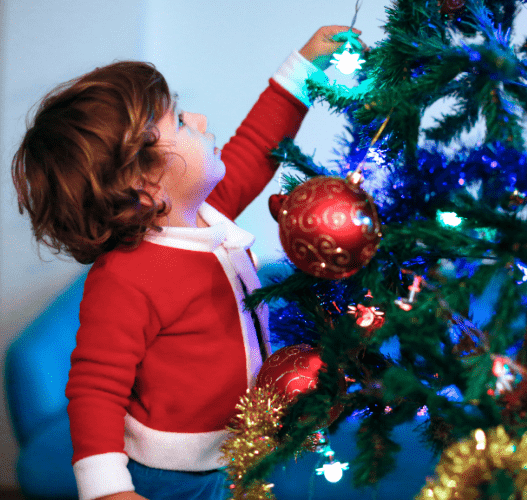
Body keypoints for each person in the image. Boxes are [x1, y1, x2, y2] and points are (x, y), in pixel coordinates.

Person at [12, 25, 365, 500]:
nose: (197, 118)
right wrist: (106, 490)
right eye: (178, 122)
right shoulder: (125, 278)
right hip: (179, 477)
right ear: (145, 186)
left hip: (241, 447)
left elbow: (258, 145)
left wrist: (303, 67)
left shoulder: (206, 210)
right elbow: (95, 389)